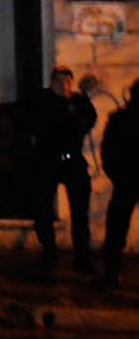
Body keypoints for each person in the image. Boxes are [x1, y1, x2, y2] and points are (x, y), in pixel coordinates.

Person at [24, 65, 98, 271]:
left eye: (67, 81)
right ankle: (49, 250)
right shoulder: (43, 101)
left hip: (72, 161)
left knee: (80, 213)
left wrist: (82, 98)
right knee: (43, 208)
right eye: (59, 81)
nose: (63, 85)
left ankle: (81, 258)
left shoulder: (76, 101)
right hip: (47, 161)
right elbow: (32, 122)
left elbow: (90, 120)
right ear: (52, 82)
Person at [100, 78, 139, 287]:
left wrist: (117, 175)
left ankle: (111, 273)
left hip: (126, 181)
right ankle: (111, 272)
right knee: (116, 229)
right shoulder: (120, 119)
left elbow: (108, 152)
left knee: (116, 230)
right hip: (126, 180)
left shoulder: (119, 118)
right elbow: (108, 152)